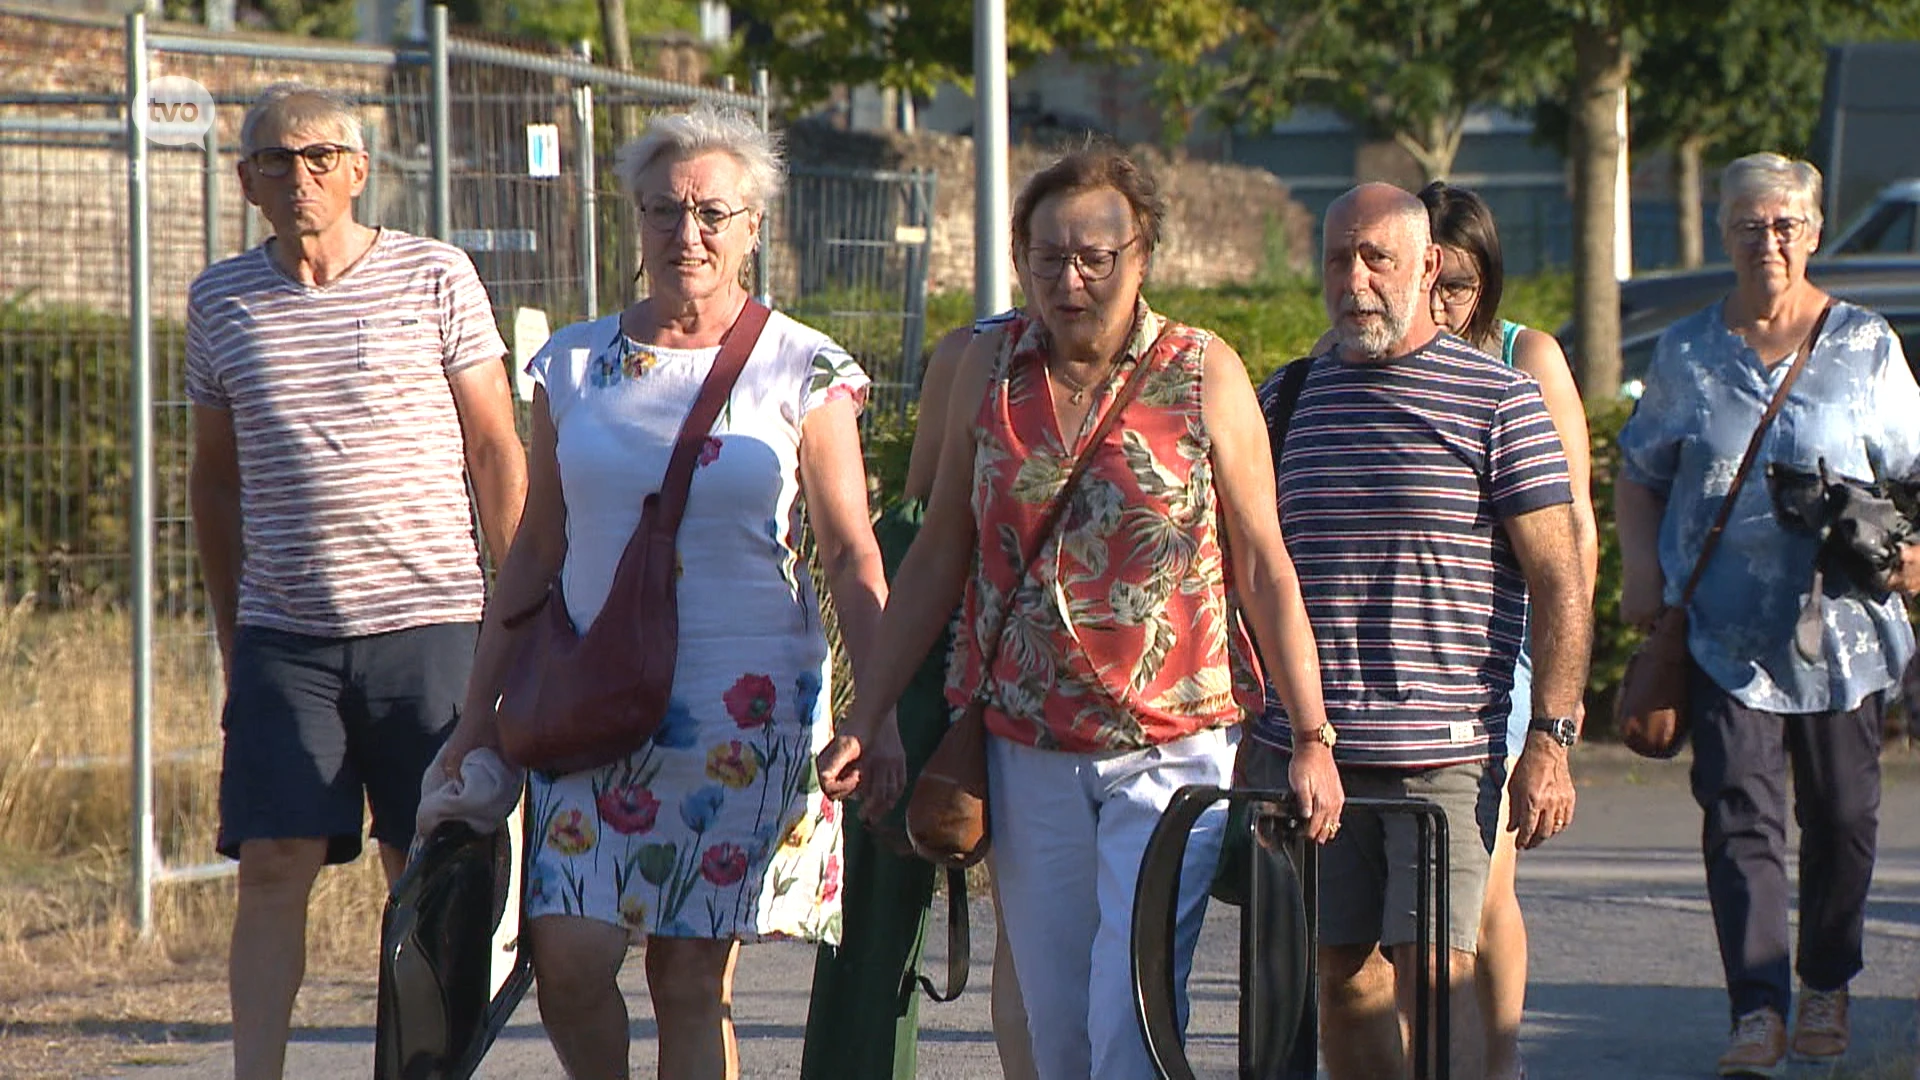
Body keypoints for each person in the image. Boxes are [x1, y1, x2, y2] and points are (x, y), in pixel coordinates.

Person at [819, 146, 1343, 1079]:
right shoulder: (987, 366)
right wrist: (867, 714)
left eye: (1097, 257)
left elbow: (1263, 563)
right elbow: (942, 551)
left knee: (1129, 1021)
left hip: (1172, 746)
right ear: (1020, 256)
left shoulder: (1202, 371)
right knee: (1055, 1031)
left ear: (1142, 257)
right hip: (1026, 746)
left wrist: (1311, 733)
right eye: (1049, 255)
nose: (1071, 279)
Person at [438, 105, 898, 1080]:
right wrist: (478, 717)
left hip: (746, 711)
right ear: (634, 220)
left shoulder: (800, 366)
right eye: (663, 211)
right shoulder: (572, 364)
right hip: (591, 705)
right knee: (565, 960)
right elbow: (534, 554)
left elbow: (853, 552)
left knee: (690, 980)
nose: (686, 235)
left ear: (754, 228)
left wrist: (880, 706)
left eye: (712, 214)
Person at [186, 84, 526, 1080]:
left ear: (360, 170)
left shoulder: (435, 275)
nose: (300, 178)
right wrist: (232, 634)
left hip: (430, 624)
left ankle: (423, 1068)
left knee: (428, 869)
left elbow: (495, 449)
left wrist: (526, 611)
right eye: (275, 162)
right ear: (246, 181)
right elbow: (214, 478)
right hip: (286, 637)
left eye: (321, 157)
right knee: (272, 866)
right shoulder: (220, 299)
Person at [1248, 182, 1589, 1080]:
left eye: (1377, 258)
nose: (1354, 279)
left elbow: (1560, 579)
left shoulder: (1500, 403)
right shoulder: (1283, 402)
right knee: (1342, 981)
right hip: (1313, 752)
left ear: (1428, 265)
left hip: (1444, 751)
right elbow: (1241, 570)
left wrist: (1551, 736)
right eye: (1337, 259)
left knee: (1437, 979)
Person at [1615, 151, 1920, 1077]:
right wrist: (1640, 575)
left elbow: (1913, 472)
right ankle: (1759, 1008)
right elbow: (1641, 473)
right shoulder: (1687, 351)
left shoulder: (1866, 346)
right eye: (1750, 223)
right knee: (1740, 816)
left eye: (1786, 222)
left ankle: (1826, 981)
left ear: (1816, 231)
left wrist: (1911, 558)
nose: (1769, 239)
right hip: (1724, 633)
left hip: (1847, 635)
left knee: (1845, 817)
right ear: (1725, 233)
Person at [800, 315, 1038, 1080]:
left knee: (898, 916)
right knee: (1032, 929)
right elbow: (927, 522)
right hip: (989, 645)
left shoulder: (969, 349)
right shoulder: (972, 353)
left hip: (987, 649)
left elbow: (921, 512)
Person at [1419, 180, 1599, 1080]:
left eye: (1459, 287)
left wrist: (1557, 712)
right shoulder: (1378, 357)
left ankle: (1495, 1059)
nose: (1441, 306)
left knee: (1485, 879)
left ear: (1487, 284)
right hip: (1414, 649)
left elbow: (1573, 536)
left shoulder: (1527, 358)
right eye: (1428, 281)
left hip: (1509, 644)